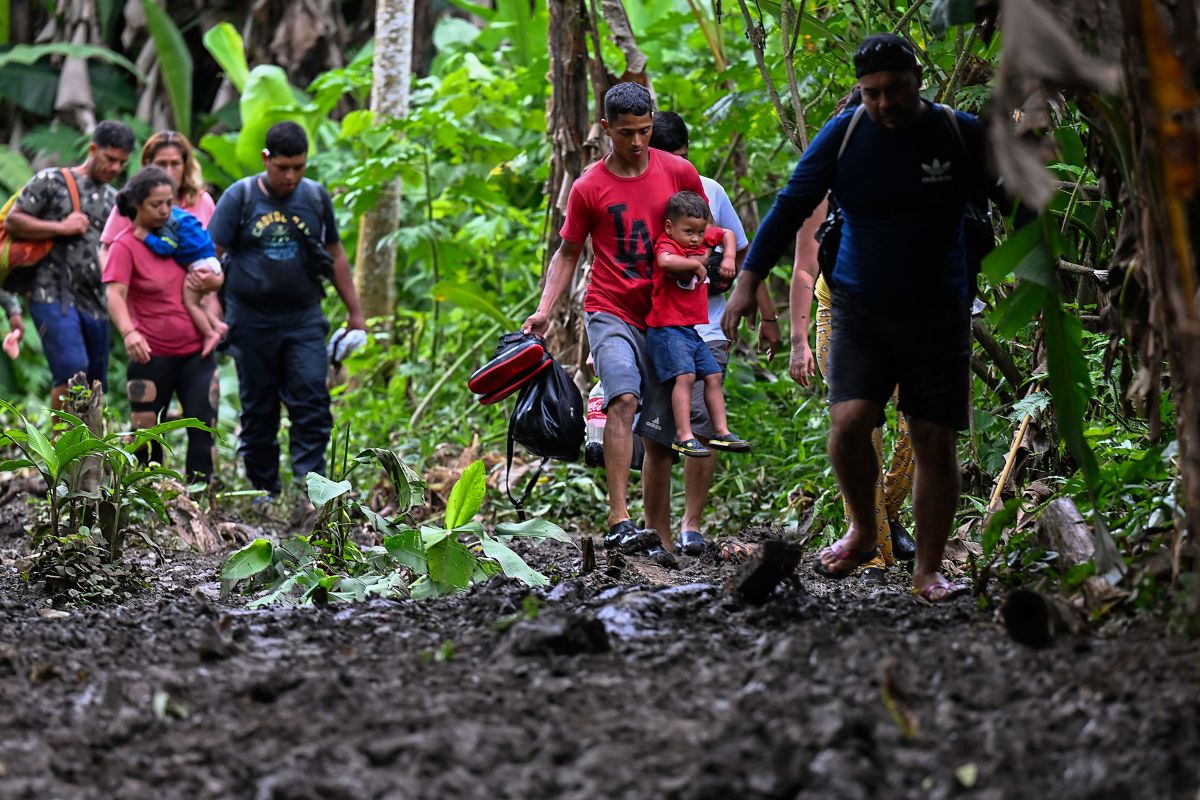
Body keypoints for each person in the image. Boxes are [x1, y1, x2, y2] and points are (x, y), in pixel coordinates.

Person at [725, 33, 1003, 601]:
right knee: (850, 421)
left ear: (916, 81)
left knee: (932, 439)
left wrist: (1042, 265)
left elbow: (1016, 197)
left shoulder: (957, 132)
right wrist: (748, 281)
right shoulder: (847, 133)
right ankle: (860, 527)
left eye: (895, 89)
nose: (885, 103)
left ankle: (927, 571)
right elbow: (791, 204)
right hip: (858, 308)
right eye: (872, 92)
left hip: (939, 311)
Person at [522, 82, 707, 561]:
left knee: (660, 429)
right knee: (623, 397)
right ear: (607, 129)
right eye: (627, 133)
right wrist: (544, 309)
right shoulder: (589, 187)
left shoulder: (680, 172)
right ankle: (619, 520)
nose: (639, 142)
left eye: (646, 130)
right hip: (609, 309)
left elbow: (699, 232)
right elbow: (567, 253)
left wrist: (717, 260)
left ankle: (658, 535)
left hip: (665, 317)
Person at [207, 121, 367, 497]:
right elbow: (210, 261)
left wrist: (355, 312)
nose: (291, 176)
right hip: (250, 320)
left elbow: (336, 254)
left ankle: (311, 487)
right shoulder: (240, 197)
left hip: (304, 317)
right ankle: (264, 487)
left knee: (312, 396)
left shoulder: (315, 197)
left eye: (299, 167)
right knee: (259, 407)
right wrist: (212, 313)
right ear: (266, 159)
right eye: (283, 168)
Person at [649, 111, 779, 556]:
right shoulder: (642, 197)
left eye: (682, 159)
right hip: (657, 326)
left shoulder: (711, 192)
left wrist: (768, 315)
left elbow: (743, 256)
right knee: (659, 429)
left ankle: (691, 524)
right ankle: (657, 529)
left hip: (707, 327)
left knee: (702, 426)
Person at [3, 120, 133, 406]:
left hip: (95, 301)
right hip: (51, 293)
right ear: (92, 149)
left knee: (95, 383)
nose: (114, 168)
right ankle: (60, 448)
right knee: (72, 370)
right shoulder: (52, 180)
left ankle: (87, 449)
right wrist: (61, 227)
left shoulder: (115, 201)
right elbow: (13, 220)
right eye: (109, 159)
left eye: (121, 163)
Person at [102, 167, 220, 479]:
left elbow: (209, 268)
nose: (165, 210)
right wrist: (128, 333)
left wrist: (212, 280)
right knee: (146, 430)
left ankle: (198, 500)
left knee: (203, 424)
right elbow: (114, 294)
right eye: (157, 205)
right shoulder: (125, 245)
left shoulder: (179, 234)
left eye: (169, 202)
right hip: (151, 355)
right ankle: (147, 496)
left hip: (197, 353)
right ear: (137, 205)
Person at [100, 129, 224, 354]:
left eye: (175, 164)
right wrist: (123, 306)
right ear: (148, 165)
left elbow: (212, 253)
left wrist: (214, 291)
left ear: (186, 165)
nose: (169, 171)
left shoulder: (202, 201)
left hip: (195, 314)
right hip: (150, 323)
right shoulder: (131, 205)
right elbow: (107, 253)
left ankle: (211, 331)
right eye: (161, 164)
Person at [648, 190, 749, 459]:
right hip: (667, 327)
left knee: (713, 376)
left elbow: (727, 234)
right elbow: (664, 261)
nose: (695, 238)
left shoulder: (700, 237)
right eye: (688, 231)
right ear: (670, 227)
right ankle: (683, 435)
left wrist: (728, 258)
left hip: (691, 330)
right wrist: (696, 263)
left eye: (700, 232)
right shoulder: (668, 244)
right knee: (686, 376)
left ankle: (721, 431)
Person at [137, 206, 225, 355]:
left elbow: (167, 247)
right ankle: (217, 324)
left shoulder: (169, 222)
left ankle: (210, 333)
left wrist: (146, 237)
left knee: (191, 303)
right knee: (198, 302)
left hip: (199, 266)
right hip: (211, 260)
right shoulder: (181, 214)